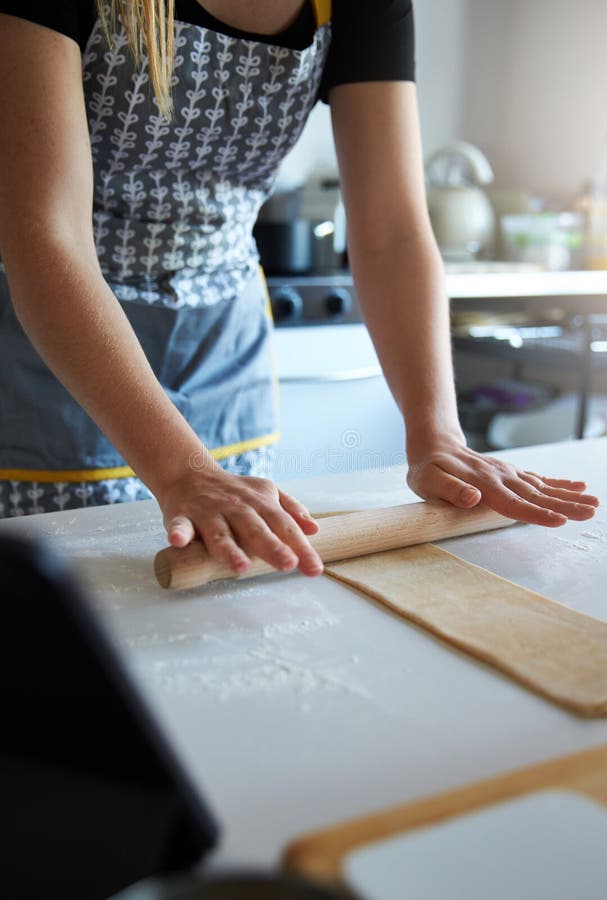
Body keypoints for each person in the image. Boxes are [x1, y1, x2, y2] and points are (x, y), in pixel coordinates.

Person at [0, 0, 598, 578]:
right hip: (56, 347)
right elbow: (45, 234)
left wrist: (438, 434)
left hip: (222, 349)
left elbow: (391, 232)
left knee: (228, 591)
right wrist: (181, 469)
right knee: (64, 618)